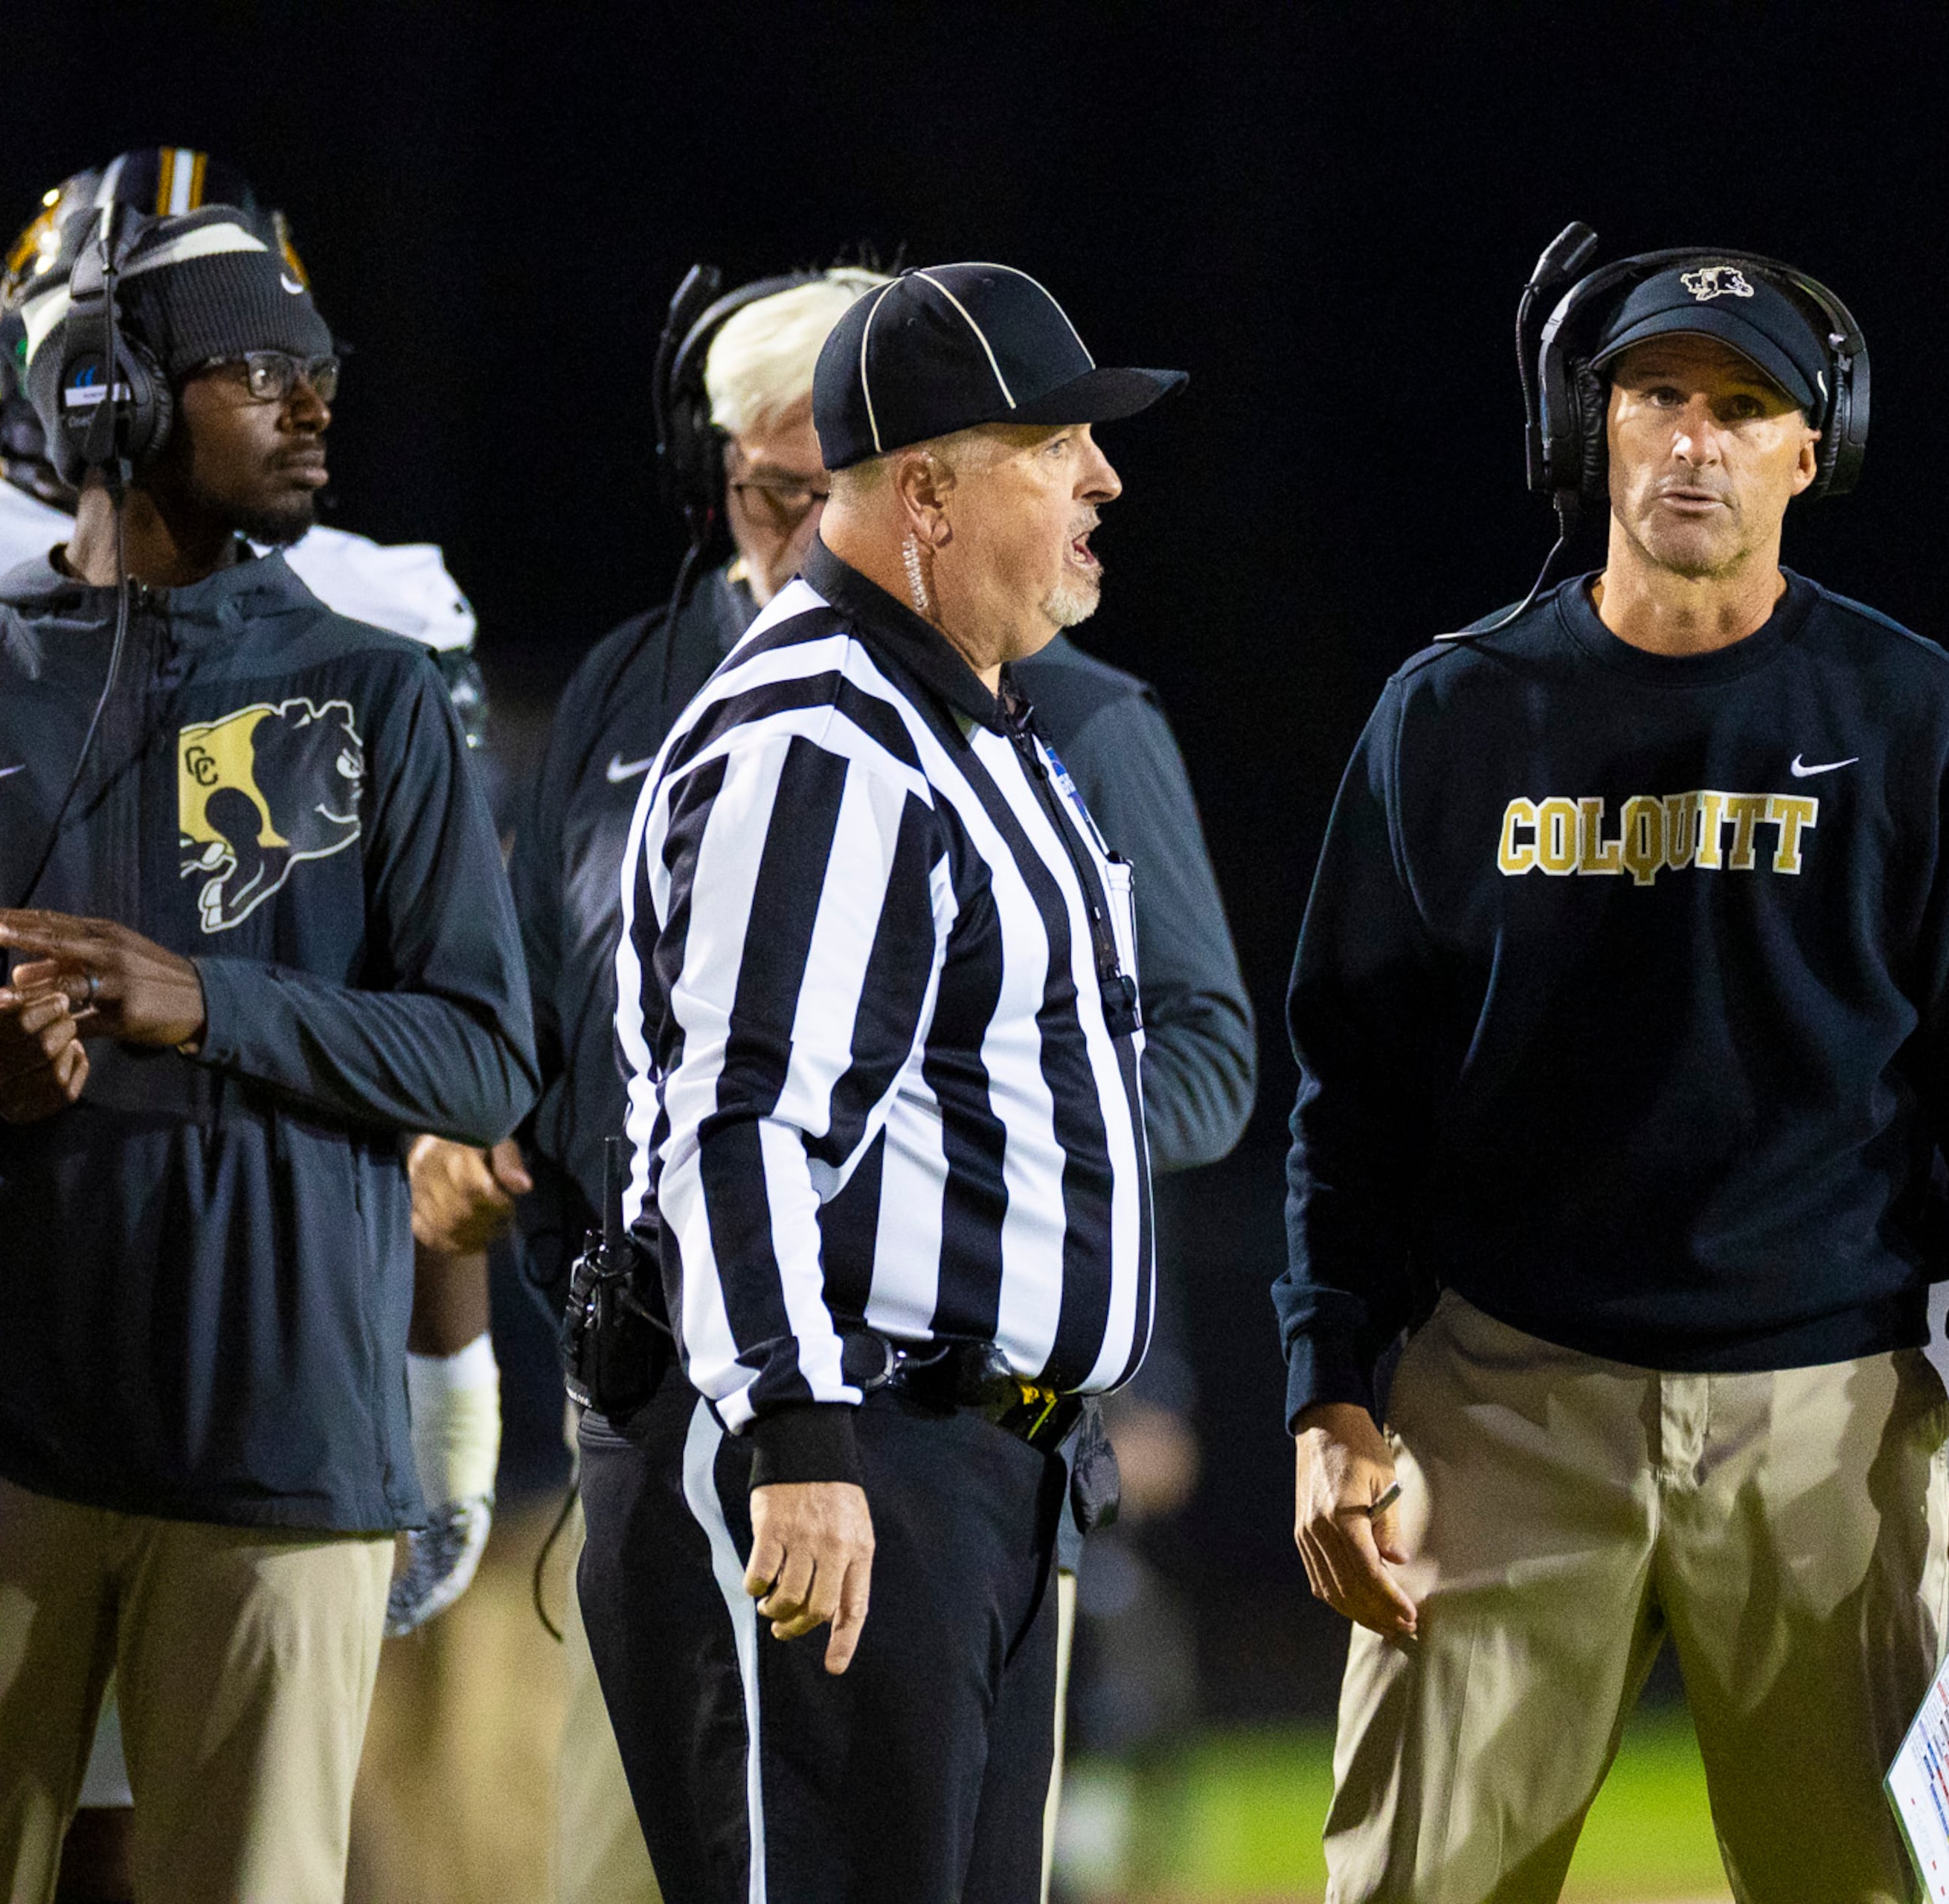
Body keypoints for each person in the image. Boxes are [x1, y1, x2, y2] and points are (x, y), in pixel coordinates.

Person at [1277, 234, 1949, 1903]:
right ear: (1596, 429)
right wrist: (1329, 1388)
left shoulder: (1920, 719)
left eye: (1743, 406)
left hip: (1831, 1428)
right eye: (1657, 394)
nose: (1694, 438)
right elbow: (1345, 1095)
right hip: (1501, 1407)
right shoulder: (1450, 714)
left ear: (1816, 449)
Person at [437, 261, 1250, 1904]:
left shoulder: (977, 723)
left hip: (978, 1462)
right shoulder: (816, 731)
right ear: (930, 494)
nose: (1103, 478)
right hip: (850, 1453)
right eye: (1055, 446)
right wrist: (803, 1433)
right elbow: (739, 1121)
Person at [0, 196, 533, 1902]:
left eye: (322, 374)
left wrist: (206, 998)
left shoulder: (374, 691)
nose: (313, 408)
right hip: (9, 1455)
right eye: (257, 369)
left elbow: (481, 1059)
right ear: (106, 397)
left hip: (285, 1465)